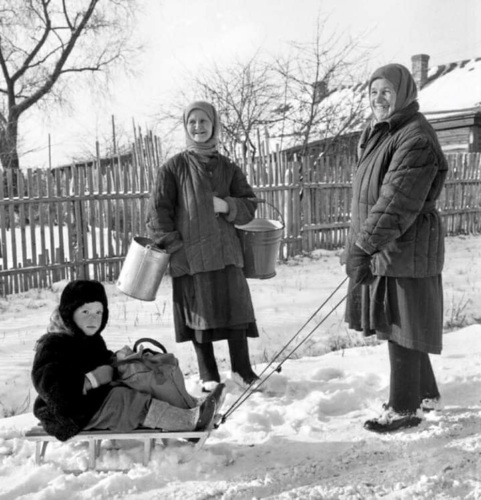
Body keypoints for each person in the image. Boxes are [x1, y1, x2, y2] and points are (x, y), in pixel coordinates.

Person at [343, 63, 448, 433]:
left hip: (405, 244)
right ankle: (426, 393)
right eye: (373, 93)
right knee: (404, 321)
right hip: (389, 244)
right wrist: (364, 242)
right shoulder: (384, 132)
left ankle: (404, 409)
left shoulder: (414, 137)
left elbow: (396, 201)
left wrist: (363, 245)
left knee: (400, 323)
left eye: (386, 91)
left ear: (403, 93)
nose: (378, 99)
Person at [146, 101, 261, 392]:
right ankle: (208, 374)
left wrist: (226, 205)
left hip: (226, 253)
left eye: (203, 121)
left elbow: (249, 207)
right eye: (192, 122)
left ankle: (243, 371)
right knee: (199, 315)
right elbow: (158, 212)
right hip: (192, 255)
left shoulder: (228, 168)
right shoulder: (173, 168)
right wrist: (175, 248)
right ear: (186, 127)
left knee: (236, 312)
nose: (198, 127)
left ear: (214, 124)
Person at [31, 279, 225, 442]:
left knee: (140, 383)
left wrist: (119, 360)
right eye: (85, 312)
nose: (93, 319)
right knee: (126, 401)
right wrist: (90, 380)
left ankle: (190, 407)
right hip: (67, 414)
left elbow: (101, 359)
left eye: (99, 312)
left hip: (92, 403)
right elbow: (50, 387)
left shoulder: (91, 339)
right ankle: (188, 424)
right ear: (69, 313)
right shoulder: (54, 345)